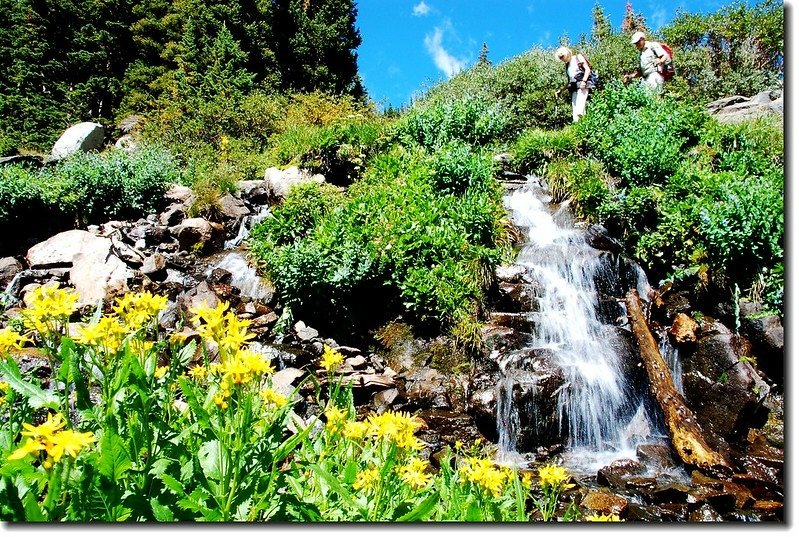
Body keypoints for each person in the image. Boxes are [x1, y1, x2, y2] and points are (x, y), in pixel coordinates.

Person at [555, 46, 596, 122]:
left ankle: (584, 126)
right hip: (573, 88)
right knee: (575, 113)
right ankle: (581, 128)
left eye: (562, 56)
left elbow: (587, 69)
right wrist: (561, 91)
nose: (562, 59)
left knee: (579, 109)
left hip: (583, 84)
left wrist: (584, 81)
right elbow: (569, 82)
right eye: (560, 58)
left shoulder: (578, 57)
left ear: (566, 53)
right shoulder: (567, 66)